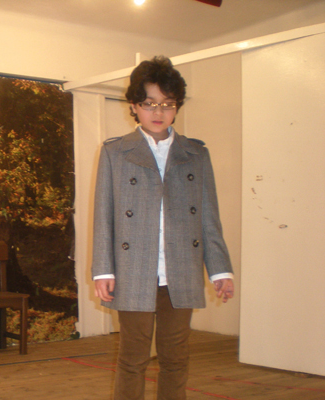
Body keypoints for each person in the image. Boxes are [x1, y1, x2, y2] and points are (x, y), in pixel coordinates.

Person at [92, 56, 234, 400]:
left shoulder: (196, 154)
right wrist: (103, 270)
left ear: (177, 107)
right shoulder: (115, 152)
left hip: (180, 269)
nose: (158, 112)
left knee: (176, 358)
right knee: (132, 358)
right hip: (132, 270)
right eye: (149, 103)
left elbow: (208, 216)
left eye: (168, 104)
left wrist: (220, 270)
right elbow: (104, 214)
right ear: (134, 106)